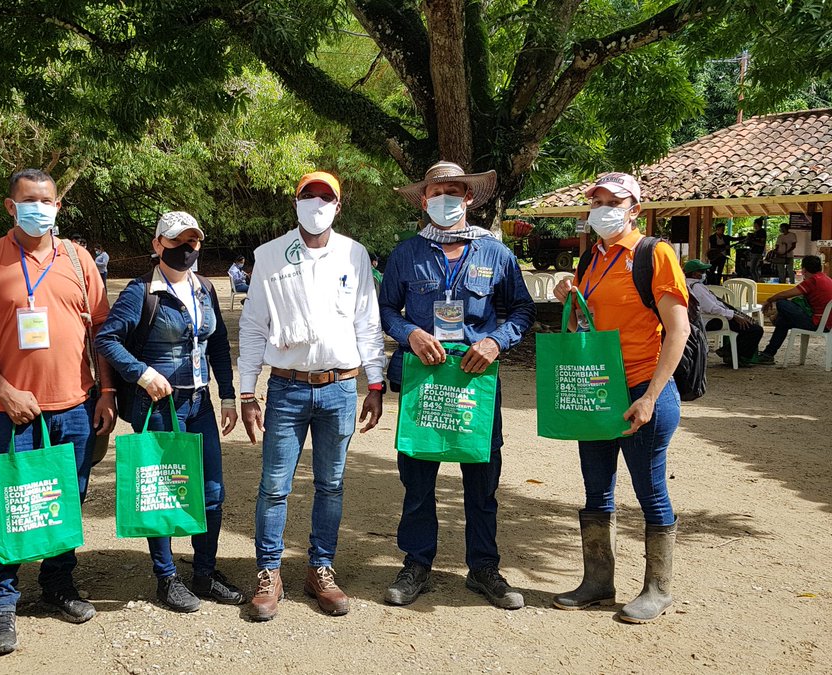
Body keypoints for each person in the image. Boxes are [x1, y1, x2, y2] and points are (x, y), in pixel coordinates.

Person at [0, 168, 117, 656]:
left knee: (67, 498)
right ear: (11, 206)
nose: (38, 208)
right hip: (15, 409)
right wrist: (4, 389)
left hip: (75, 404)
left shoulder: (79, 259)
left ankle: (58, 583)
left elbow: (100, 332)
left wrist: (106, 391)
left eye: (47, 201)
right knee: (13, 502)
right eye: (28, 200)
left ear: (58, 208)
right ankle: (1, 600)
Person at [379, 161, 536, 611]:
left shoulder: (496, 254)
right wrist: (408, 332)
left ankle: (484, 567)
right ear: (423, 199)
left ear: (469, 198)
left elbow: (521, 310)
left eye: (453, 191)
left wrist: (495, 340)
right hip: (423, 379)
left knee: (482, 479)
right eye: (435, 191)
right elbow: (388, 307)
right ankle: (416, 565)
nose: (444, 198)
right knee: (418, 479)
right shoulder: (406, 253)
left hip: (475, 378)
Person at [238, 171, 385, 621]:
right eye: (309, 195)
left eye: (327, 197)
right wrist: (247, 392)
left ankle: (321, 567)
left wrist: (375, 383)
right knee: (275, 486)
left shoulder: (354, 255)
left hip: (340, 388)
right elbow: (253, 325)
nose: (317, 203)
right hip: (286, 388)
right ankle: (268, 571)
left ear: (338, 206)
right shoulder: (269, 256)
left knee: (331, 484)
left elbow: (367, 321)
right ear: (296, 202)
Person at [551, 172, 688, 624]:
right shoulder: (592, 258)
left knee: (650, 488)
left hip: (642, 388)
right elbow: (579, 330)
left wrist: (650, 396)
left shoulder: (654, 254)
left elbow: (678, 330)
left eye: (615, 201)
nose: (604, 208)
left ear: (636, 210)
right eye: (598, 201)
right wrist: (568, 299)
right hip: (595, 388)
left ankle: (657, 588)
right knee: (596, 489)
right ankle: (597, 581)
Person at [95, 212, 244, 612]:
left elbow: (217, 346)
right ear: (158, 244)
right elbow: (106, 339)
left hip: (200, 404)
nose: (187, 249)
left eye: (193, 242)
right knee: (161, 492)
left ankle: (205, 572)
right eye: (177, 242)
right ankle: (166, 578)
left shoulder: (205, 290)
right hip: (159, 407)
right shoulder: (140, 292)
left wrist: (227, 396)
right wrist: (142, 373)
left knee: (212, 493)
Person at [752, 255, 832, 364]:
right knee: (783, 320)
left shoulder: (813, 281)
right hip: (826, 323)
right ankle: (768, 354)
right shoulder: (825, 278)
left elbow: (787, 294)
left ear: (803, 270)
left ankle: (768, 353)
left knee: (782, 303)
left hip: (818, 323)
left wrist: (770, 300)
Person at [682, 260, 763, 365]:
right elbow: (712, 308)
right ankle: (738, 357)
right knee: (755, 330)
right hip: (712, 319)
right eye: (702, 272)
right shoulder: (696, 287)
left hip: (709, 318)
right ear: (694, 274)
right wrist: (733, 315)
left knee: (748, 327)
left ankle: (728, 351)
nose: (704, 274)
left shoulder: (687, 284)